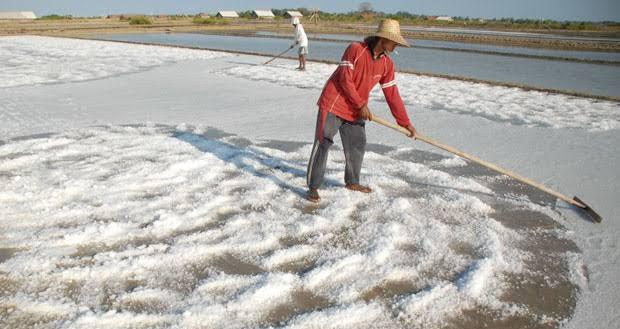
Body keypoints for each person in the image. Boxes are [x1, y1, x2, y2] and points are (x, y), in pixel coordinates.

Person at [306, 19, 416, 202]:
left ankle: (352, 182)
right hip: (334, 103)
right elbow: (344, 79)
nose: (397, 44)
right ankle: (313, 186)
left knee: (357, 145)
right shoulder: (356, 49)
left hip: (356, 109)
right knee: (323, 142)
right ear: (383, 39)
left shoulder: (387, 65)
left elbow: (392, 95)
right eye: (395, 40)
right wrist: (360, 104)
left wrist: (405, 123)